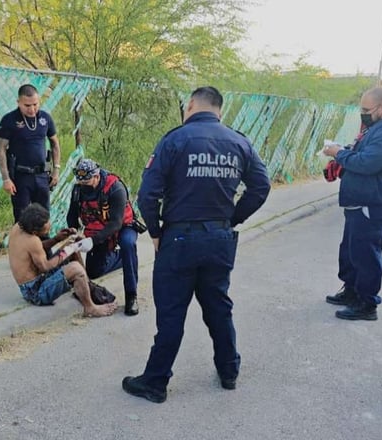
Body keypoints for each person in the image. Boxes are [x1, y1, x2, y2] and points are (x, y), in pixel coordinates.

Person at [122, 86, 271, 403]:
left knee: (172, 314)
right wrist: (232, 218)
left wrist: (155, 232)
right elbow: (261, 186)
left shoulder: (175, 139)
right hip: (219, 239)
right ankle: (229, 371)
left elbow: (147, 195)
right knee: (218, 307)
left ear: (190, 106)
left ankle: (155, 382)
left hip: (179, 239)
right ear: (220, 110)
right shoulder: (239, 141)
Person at [322, 87, 382, 321]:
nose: (362, 114)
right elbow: (364, 153)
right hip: (361, 200)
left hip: (374, 202)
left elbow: (367, 163)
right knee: (352, 250)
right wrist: (344, 152)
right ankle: (352, 291)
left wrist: (338, 154)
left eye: (366, 110)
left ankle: (366, 303)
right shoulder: (380, 127)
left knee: (366, 254)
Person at [8, 203, 117, 318]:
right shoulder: (32, 240)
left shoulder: (18, 227)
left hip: (37, 280)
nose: (48, 230)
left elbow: (36, 249)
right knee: (75, 268)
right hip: (35, 292)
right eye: (45, 231)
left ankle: (87, 286)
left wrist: (57, 239)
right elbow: (45, 266)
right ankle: (90, 308)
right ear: (35, 232)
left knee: (72, 247)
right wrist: (68, 250)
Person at [66, 158, 141, 316]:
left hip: (122, 226)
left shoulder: (115, 188)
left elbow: (116, 223)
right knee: (93, 272)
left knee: (128, 244)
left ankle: (132, 295)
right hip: (99, 228)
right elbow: (72, 215)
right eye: (81, 182)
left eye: (87, 182)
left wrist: (92, 241)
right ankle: (120, 259)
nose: (84, 186)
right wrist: (73, 232)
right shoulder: (78, 189)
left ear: (97, 176)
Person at [0, 84, 62, 223]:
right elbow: (1, 149)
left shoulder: (45, 118)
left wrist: (56, 170)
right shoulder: (9, 120)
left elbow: (55, 144)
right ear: (18, 102)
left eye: (35, 104)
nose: (32, 109)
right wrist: (6, 178)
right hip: (21, 177)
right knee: (22, 219)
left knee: (43, 217)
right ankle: (22, 244)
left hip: (42, 175)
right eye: (27, 105)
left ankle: (43, 244)